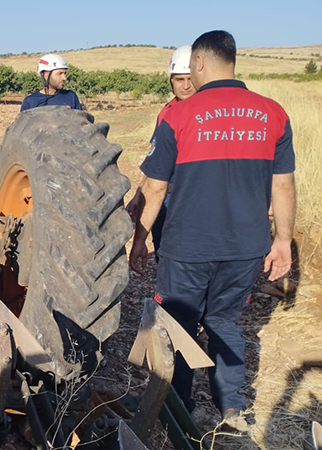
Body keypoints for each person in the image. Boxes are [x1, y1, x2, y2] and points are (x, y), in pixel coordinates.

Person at [129, 30, 295, 432]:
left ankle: (177, 411)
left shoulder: (178, 116)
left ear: (200, 63)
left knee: (178, 327)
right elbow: (284, 185)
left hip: (187, 247)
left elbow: (155, 188)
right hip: (246, 248)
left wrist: (140, 239)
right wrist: (283, 241)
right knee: (225, 322)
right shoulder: (274, 113)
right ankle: (233, 410)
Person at [125, 45, 195, 254]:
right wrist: (139, 194)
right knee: (163, 252)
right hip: (166, 198)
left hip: (194, 197)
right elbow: (156, 162)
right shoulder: (167, 113)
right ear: (171, 80)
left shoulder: (208, 113)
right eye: (179, 79)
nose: (185, 86)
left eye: (190, 79)